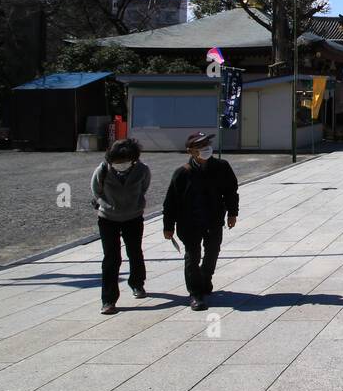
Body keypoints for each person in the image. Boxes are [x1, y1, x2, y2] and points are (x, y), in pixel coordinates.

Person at [162, 132, 238, 311]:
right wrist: (168, 226)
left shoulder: (221, 166)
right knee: (192, 255)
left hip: (213, 219)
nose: (206, 149)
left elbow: (231, 191)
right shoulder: (182, 173)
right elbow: (170, 202)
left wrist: (232, 213)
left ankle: (206, 277)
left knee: (212, 252)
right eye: (201, 147)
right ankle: (195, 294)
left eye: (207, 145)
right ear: (191, 151)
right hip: (189, 221)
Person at [90, 138, 150, 315]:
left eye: (125, 161)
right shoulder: (103, 170)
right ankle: (108, 300)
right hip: (108, 218)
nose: (120, 164)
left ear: (133, 159)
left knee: (135, 251)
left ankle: (137, 283)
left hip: (133, 217)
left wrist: (135, 204)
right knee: (111, 257)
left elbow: (144, 188)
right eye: (117, 161)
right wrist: (106, 205)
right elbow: (96, 190)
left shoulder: (142, 170)